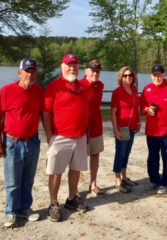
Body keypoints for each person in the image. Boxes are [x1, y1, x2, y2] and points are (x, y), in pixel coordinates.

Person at [0, 58, 43, 227]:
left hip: (33, 142)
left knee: (28, 179)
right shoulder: (7, 91)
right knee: (13, 181)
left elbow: (45, 115)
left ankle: (25, 209)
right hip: (12, 143)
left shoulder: (39, 91)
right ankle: (12, 212)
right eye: (27, 71)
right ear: (20, 72)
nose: (30, 74)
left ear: (37, 73)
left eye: (33, 71)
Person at [43, 54, 89, 222]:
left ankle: (71, 199)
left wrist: (87, 133)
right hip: (60, 137)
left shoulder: (82, 88)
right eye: (69, 65)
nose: (72, 68)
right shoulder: (54, 87)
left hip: (80, 136)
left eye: (75, 65)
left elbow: (85, 112)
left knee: (76, 169)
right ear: (62, 67)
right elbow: (46, 112)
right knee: (56, 172)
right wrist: (49, 136)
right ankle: (53, 203)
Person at [140, 64, 167, 194]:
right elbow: (142, 105)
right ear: (151, 76)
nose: (157, 77)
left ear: (164, 75)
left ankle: (164, 182)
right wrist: (146, 109)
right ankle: (154, 180)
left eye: (159, 75)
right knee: (152, 157)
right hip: (152, 130)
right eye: (155, 75)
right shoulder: (147, 89)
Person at [111, 66, 141, 193]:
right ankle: (118, 181)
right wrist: (115, 129)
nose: (128, 77)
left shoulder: (134, 90)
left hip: (132, 127)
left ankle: (124, 177)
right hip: (122, 127)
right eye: (125, 75)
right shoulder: (118, 92)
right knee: (120, 154)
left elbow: (136, 107)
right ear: (121, 77)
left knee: (127, 153)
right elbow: (113, 113)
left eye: (130, 75)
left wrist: (138, 121)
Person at [80, 59, 105, 197]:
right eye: (92, 70)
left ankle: (93, 183)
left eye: (97, 71)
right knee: (78, 158)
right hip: (82, 128)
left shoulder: (100, 85)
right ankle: (75, 188)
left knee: (95, 155)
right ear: (86, 71)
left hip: (96, 126)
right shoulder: (79, 85)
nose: (95, 73)